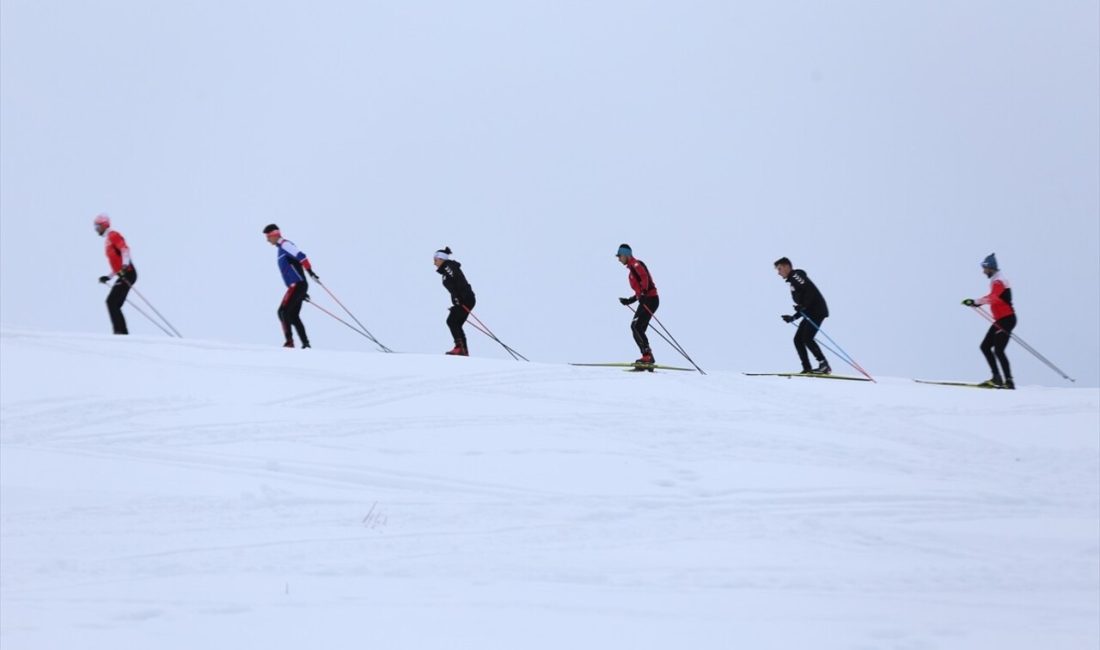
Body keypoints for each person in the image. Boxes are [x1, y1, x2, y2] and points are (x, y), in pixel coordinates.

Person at [962, 253, 1016, 389]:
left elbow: (993, 297)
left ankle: (1008, 381)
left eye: (984, 268)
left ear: (991, 268)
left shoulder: (998, 281)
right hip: (1001, 320)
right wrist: (976, 303)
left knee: (998, 350)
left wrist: (975, 302)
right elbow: (994, 298)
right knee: (985, 347)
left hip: (1006, 319)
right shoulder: (996, 280)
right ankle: (997, 378)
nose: (983, 271)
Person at [263, 224, 316, 348]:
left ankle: (289, 343)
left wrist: (310, 272)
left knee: (283, 312)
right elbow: (296, 266)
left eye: (268, 236)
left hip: (297, 285)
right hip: (298, 286)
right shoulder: (280, 249)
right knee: (292, 315)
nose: (267, 240)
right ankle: (306, 344)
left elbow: (301, 256)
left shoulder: (285, 245)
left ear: (274, 234)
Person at [774, 257, 830, 374]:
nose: (778, 273)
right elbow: (803, 303)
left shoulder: (795, 276)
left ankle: (824, 365)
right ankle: (807, 367)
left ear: (787, 266)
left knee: (807, 338)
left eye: (779, 269)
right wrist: (793, 317)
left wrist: (804, 306)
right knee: (798, 340)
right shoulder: (792, 281)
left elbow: (809, 290)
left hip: (816, 311)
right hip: (810, 312)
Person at [616, 244, 659, 364]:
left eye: (619, 256)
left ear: (626, 255)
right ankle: (647, 356)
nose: (619, 259)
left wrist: (644, 293)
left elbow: (644, 277)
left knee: (635, 326)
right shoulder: (631, 271)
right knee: (638, 328)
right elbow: (639, 292)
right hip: (649, 299)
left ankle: (647, 356)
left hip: (651, 299)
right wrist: (629, 301)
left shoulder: (636, 264)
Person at [94, 214, 137, 335]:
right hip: (124, 273)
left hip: (128, 273)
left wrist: (124, 267)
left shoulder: (113, 235)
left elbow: (125, 250)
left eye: (97, 226)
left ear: (104, 225)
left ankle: (120, 332)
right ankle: (121, 332)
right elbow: (115, 266)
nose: (96, 230)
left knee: (111, 302)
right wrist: (108, 276)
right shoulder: (108, 241)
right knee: (114, 303)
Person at [434, 247, 476, 356]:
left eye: (435, 259)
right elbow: (455, 286)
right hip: (465, 298)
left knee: (452, 321)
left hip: (466, 298)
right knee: (456, 323)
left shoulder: (448, 267)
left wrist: (460, 299)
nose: (434, 263)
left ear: (441, 259)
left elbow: (459, 282)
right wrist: (456, 302)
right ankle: (463, 350)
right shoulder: (446, 270)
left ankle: (460, 348)